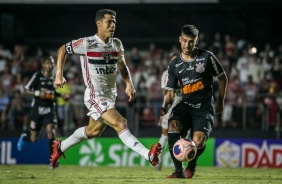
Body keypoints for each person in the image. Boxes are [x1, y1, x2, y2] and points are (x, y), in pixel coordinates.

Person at [50, 9, 161, 169]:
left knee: (93, 131)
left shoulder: (117, 44)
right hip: (95, 95)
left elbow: (122, 66)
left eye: (114, 22)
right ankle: (148, 155)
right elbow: (62, 49)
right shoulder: (87, 43)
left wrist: (129, 83)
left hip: (110, 96)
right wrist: (58, 74)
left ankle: (60, 147)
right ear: (99, 23)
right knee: (120, 123)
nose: (113, 25)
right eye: (109, 22)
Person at [160, 24, 227, 178]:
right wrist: (165, 107)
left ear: (196, 41)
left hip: (204, 108)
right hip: (185, 105)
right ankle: (179, 172)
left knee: (198, 141)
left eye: (191, 41)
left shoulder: (207, 57)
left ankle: (192, 164)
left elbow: (223, 78)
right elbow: (170, 93)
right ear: (180, 39)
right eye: (184, 41)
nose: (187, 45)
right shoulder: (174, 64)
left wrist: (220, 101)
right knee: (172, 126)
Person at [17, 56, 68, 168]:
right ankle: (25, 137)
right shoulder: (37, 76)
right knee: (34, 138)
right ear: (43, 65)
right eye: (48, 63)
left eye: (52, 63)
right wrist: (37, 93)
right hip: (37, 110)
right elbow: (25, 90)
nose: (50, 65)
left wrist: (61, 96)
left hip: (50, 109)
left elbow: (53, 93)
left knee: (51, 130)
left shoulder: (54, 78)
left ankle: (53, 161)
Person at [155, 52, 182, 171]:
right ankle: (158, 161)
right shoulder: (168, 73)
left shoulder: (166, 73)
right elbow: (164, 92)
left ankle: (178, 164)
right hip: (171, 107)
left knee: (176, 135)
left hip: (178, 107)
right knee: (167, 135)